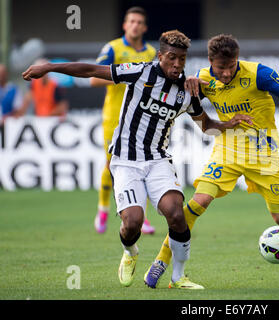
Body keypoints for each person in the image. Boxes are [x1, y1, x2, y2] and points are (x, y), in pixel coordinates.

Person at [22, 30, 252, 289]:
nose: (177, 65)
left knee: (176, 215)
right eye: (172, 58)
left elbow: (206, 126)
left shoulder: (186, 92)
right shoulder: (140, 72)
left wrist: (229, 124)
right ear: (160, 55)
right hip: (125, 161)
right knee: (132, 223)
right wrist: (49, 67)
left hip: (157, 161)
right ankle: (130, 252)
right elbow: (90, 70)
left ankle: (178, 277)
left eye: (182, 59)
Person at [145, 34, 279, 288]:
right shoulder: (202, 79)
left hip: (264, 155)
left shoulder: (258, 73)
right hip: (227, 152)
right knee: (196, 204)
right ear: (210, 62)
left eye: (231, 65)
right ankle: (160, 262)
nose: (226, 73)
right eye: (221, 68)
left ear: (238, 59)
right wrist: (189, 87)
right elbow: (191, 112)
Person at [91, 6, 157, 234]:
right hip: (113, 116)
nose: (135, 25)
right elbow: (94, 79)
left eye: (139, 22)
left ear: (145, 27)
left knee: (144, 165)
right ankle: (102, 210)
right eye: (132, 21)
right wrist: (125, 76)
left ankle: (143, 218)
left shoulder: (151, 52)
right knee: (111, 165)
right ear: (125, 25)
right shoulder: (113, 48)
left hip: (140, 118)